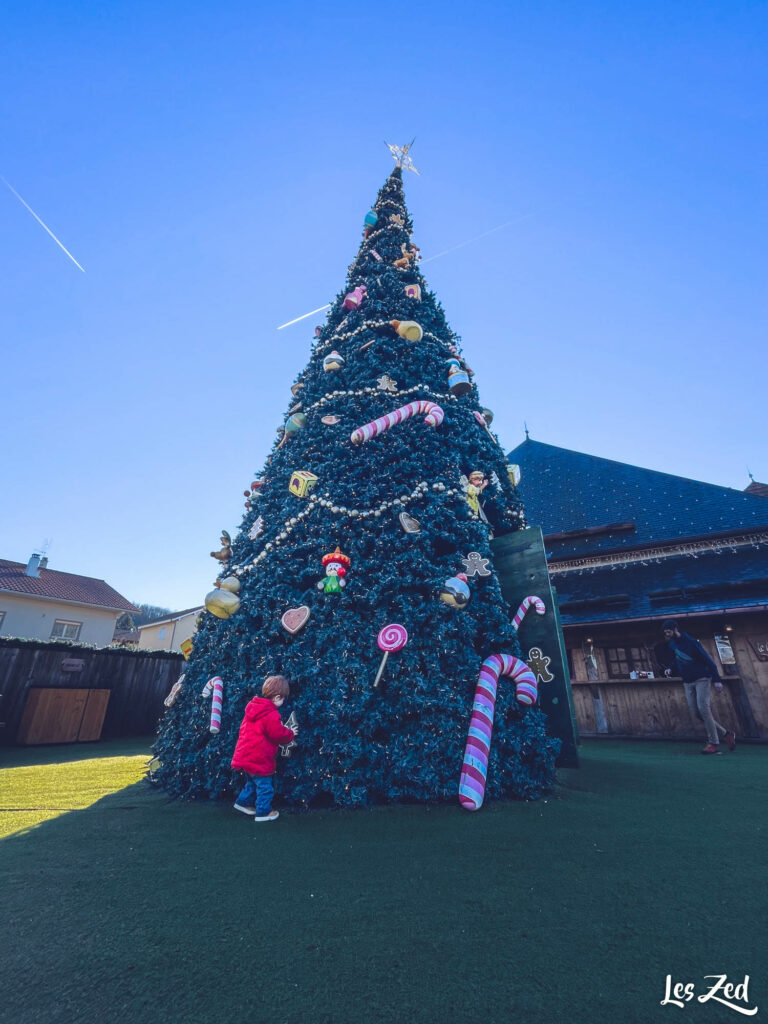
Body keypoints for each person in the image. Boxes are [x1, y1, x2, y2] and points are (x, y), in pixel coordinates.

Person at [659, 620, 735, 755]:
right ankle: (726, 733)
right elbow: (678, 658)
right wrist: (670, 668)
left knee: (703, 709)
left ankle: (713, 744)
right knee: (697, 713)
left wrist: (717, 680)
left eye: (669, 632)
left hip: (702, 678)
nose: (667, 634)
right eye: (665, 633)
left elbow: (708, 660)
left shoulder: (692, 643)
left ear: (675, 629)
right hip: (687, 681)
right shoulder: (672, 644)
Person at [231, 675, 299, 821]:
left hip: (246, 754)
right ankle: (263, 812)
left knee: (252, 782)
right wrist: (291, 733)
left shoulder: (252, 709)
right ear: (276, 697)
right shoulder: (271, 714)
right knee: (265, 786)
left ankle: (242, 803)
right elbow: (278, 734)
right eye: (282, 698)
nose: (283, 701)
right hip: (259, 757)